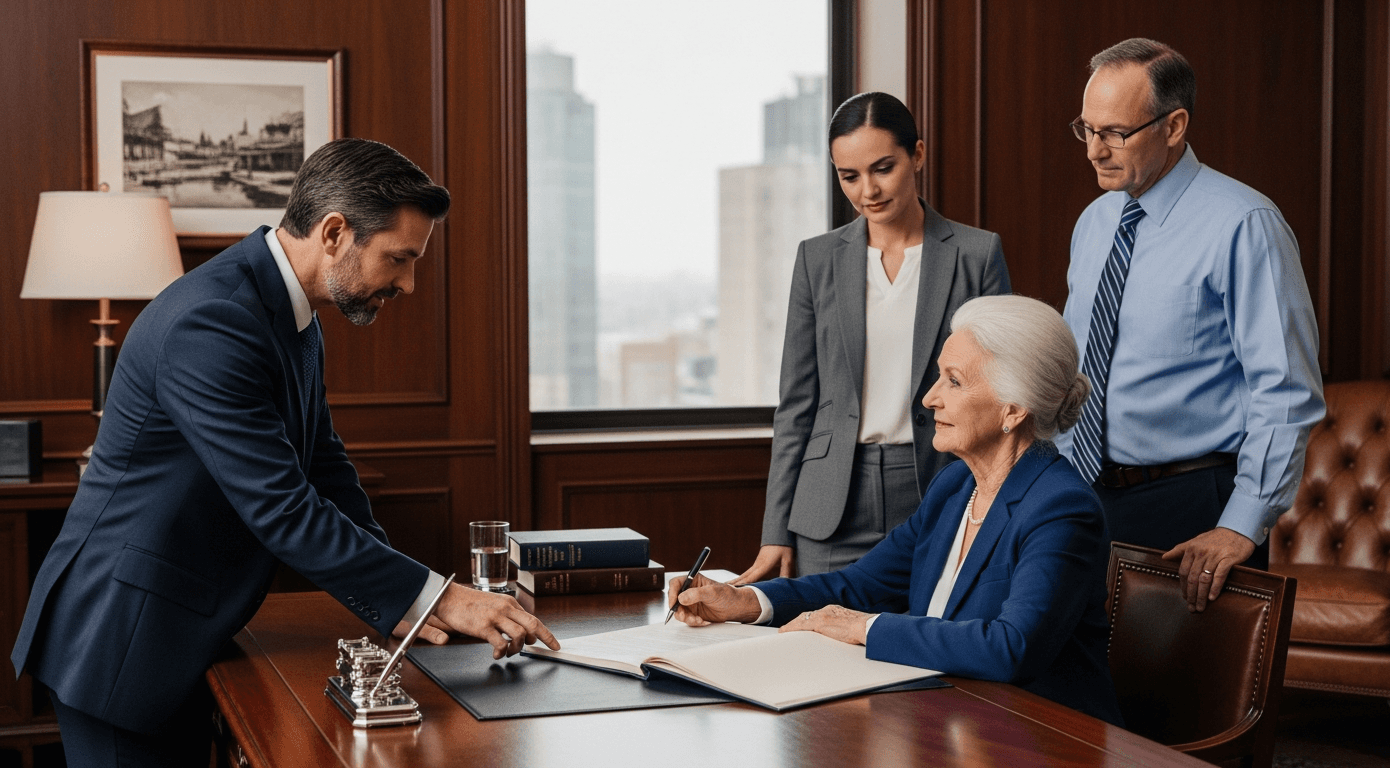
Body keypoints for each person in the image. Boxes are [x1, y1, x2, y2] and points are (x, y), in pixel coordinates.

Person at [9, 138, 560, 767]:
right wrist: (437, 597)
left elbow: (324, 465)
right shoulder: (213, 320)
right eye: (399, 259)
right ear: (334, 233)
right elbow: (282, 506)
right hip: (121, 637)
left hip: (181, 626)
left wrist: (400, 601)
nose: (408, 284)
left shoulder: (293, 313)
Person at [674, 295, 1122, 725]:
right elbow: (860, 585)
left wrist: (864, 628)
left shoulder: (1062, 508)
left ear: (1014, 409)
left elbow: (1011, 647)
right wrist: (744, 602)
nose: (929, 398)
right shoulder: (954, 486)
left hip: (1043, 735)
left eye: (954, 381)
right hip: (948, 716)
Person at [1056, 38, 1324, 612]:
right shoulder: (1094, 222)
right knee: (1081, 669)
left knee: (1178, 674)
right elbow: (1076, 364)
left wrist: (1241, 524)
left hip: (1195, 508)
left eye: (1115, 133)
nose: (1095, 151)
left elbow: (1286, 391)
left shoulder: (1245, 223)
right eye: (1087, 129)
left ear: (1174, 126)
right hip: (1086, 497)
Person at [735, 92, 1011, 583]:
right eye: (850, 176)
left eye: (883, 168)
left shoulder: (977, 254)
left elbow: (1000, 390)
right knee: (820, 628)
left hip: (940, 484)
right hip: (832, 503)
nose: (869, 191)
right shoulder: (817, 260)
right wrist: (775, 530)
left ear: (917, 155)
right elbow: (797, 405)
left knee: (928, 630)